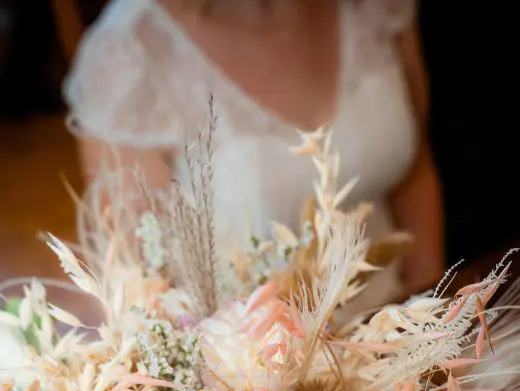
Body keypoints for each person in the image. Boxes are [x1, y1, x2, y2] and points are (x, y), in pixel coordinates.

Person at [63, 0, 444, 307]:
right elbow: (143, 302)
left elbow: (414, 176)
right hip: (255, 387)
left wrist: (434, 320)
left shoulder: (370, 8)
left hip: (403, 331)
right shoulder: (129, 58)